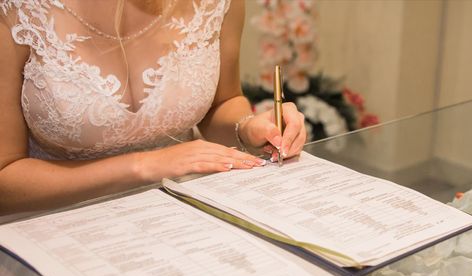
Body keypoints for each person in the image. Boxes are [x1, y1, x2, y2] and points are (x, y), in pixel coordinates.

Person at [0, 0, 306, 215]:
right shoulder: (14, 12)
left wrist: (247, 126)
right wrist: (144, 166)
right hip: (53, 228)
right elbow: (5, 180)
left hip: (184, 214)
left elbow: (222, 101)